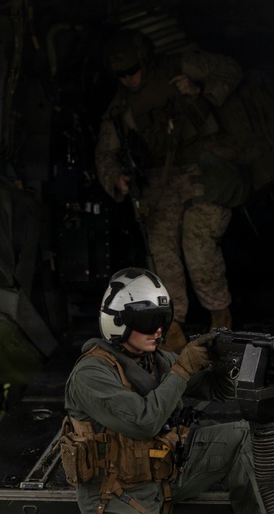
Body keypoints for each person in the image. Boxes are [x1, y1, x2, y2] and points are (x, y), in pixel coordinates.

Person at [60, 267, 274, 514]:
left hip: (163, 471)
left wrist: (223, 361)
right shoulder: (91, 374)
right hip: (116, 491)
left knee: (241, 435)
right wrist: (183, 367)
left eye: (162, 318)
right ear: (118, 321)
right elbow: (144, 421)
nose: (157, 329)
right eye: (146, 321)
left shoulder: (155, 360)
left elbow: (218, 391)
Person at [95, 30, 242, 352]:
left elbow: (230, 69)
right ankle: (173, 327)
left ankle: (220, 318)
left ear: (144, 61)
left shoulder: (181, 66)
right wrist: (116, 178)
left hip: (203, 171)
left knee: (198, 242)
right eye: (120, 75)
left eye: (132, 70)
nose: (128, 79)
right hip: (159, 185)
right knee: (162, 254)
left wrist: (200, 89)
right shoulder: (121, 106)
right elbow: (106, 152)